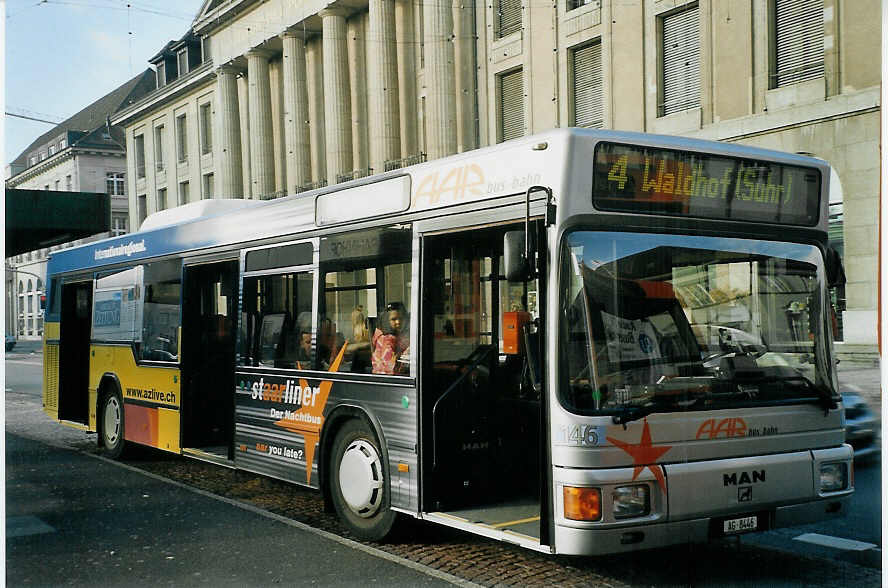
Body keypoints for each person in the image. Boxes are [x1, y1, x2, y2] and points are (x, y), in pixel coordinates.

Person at [372, 302, 410, 375]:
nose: (398, 322)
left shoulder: (398, 336)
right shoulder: (385, 340)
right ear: (386, 321)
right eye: (393, 319)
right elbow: (391, 368)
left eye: (401, 318)